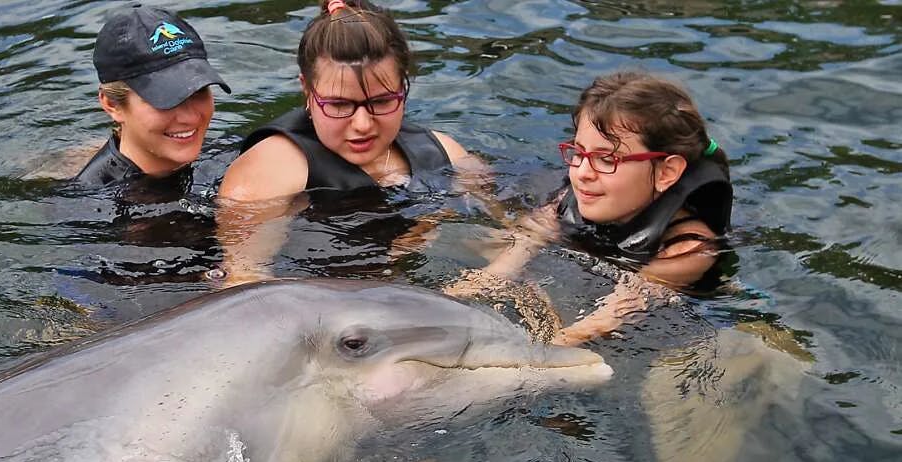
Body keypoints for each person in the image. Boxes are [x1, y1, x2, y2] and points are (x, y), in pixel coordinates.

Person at [447, 71, 733, 345]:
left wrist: (534, 354)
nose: (582, 172)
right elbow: (508, 263)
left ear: (666, 172)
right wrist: (448, 302)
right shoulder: (564, 202)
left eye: (607, 159)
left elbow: (605, 320)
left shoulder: (689, 248)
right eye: (579, 153)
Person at [216, 0, 484, 284]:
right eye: (339, 105)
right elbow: (243, 283)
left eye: (382, 101)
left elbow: (504, 233)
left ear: (403, 88)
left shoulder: (446, 154)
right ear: (307, 88)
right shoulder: (271, 171)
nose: (362, 125)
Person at [74, 5, 232, 189]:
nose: (190, 117)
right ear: (112, 105)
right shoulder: (88, 209)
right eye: (165, 98)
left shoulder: (235, 153)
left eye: (198, 90)